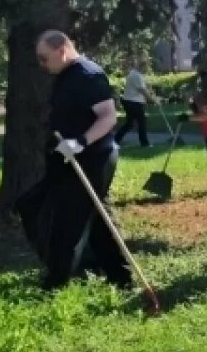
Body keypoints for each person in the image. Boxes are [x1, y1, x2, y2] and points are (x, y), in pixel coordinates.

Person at [16, 31, 131, 289]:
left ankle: (56, 282)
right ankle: (120, 276)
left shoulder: (88, 75)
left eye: (44, 58)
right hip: (71, 158)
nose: (42, 64)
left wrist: (80, 141)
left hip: (93, 158)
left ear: (62, 50)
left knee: (68, 220)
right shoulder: (66, 75)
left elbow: (108, 117)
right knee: (93, 219)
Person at [114, 55, 153, 148]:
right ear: (142, 66)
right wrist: (152, 100)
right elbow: (142, 90)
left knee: (129, 124)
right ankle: (144, 143)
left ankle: (115, 140)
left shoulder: (134, 74)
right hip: (134, 102)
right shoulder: (137, 76)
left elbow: (143, 87)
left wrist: (149, 89)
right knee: (141, 122)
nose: (147, 69)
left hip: (129, 101)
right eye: (146, 67)